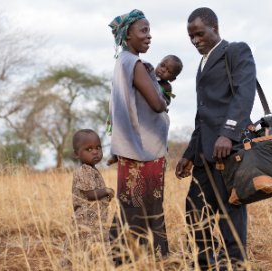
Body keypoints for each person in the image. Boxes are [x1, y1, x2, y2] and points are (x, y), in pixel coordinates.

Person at [175, 7, 257, 270]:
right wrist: (189, 154)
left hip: (227, 150)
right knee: (194, 210)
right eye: (191, 37)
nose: (195, 41)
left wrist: (228, 133)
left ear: (215, 29)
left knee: (229, 211)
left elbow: (245, 94)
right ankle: (206, 263)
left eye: (199, 34)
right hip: (203, 154)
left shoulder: (236, 51)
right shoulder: (202, 63)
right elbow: (203, 114)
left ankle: (235, 264)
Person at [107, 9, 170, 259]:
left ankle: (122, 255)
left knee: (131, 203)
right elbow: (156, 104)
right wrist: (163, 97)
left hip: (131, 148)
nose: (149, 36)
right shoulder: (134, 63)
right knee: (148, 205)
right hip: (144, 151)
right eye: (143, 31)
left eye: (149, 31)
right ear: (127, 35)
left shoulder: (123, 62)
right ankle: (153, 257)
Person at [61, 129, 114, 267]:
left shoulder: (92, 169)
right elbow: (90, 195)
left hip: (95, 221)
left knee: (89, 249)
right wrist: (106, 190)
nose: (95, 152)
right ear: (76, 154)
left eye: (98, 147)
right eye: (88, 149)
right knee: (82, 246)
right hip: (86, 221)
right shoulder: (84, 170)